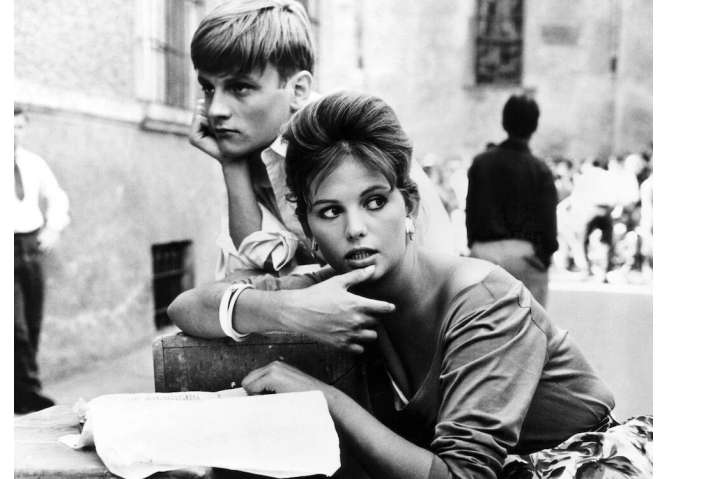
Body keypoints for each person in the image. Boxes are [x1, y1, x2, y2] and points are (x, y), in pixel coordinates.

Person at [167, 92, 653, 479]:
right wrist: (286, 309)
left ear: (410, 205)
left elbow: (462, 475)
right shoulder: (337, 289)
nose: (355, 229)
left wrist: (324, 399)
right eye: (330, 211)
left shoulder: (483, 302)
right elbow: (187, 307)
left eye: (375, 202)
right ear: (308, 228)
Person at [187, 0, 455, 280]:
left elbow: (439, 260)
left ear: (298, 89)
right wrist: (231, 164)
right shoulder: (250, 147)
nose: (215, 110)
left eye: (240, 87)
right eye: (208, 88)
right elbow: (257, 259)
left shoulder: (352, 137)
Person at [464, 94, 558, 307]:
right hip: (526, 256)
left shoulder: (480, 163)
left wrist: (475, 246)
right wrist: (544, 256)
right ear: (534, 126)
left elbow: (471, 211)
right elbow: (548, 220)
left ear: (504, 121)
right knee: (529, 323)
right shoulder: (539, 169)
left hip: (484, 253)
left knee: (483, 321)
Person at [13, 105, 70, 414]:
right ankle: (29, 395)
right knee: (15, 327)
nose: (13, 133)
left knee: (32, 322)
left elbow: (56, 195)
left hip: (31, 246)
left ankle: (18, 393)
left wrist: (54, 227)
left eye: (19, 127)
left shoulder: (33, 163)